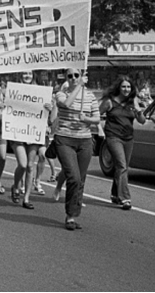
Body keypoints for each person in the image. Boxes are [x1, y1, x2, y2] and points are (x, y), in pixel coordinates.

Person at [54, 68, 100, 231]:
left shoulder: (90, 96)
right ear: (66, 78)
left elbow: (97, 118)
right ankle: (70, 213)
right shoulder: (61, 93)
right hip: (65, 139)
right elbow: (65, 104)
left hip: (84, 140)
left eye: (76, 75)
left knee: (80, 179)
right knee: (73, 177)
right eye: (70, 76)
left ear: (81, 76)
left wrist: (86, 118)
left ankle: (72, 216)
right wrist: (78, 87)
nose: (73, 78)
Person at [8, 71, 56, 210]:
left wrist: (49, 109)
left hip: (33, 133)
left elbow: (50, 114)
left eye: (29, 73)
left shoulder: (40, 91)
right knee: (22, 165)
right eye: (24, 73)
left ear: (33, 75)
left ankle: (26, 198)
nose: (27, 76)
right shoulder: (14, 90)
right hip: (18, 133)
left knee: (30, 166)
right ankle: (16, 185)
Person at [99, 76, 146, 210]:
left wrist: (138, 111)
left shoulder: (133, 101)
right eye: (124, 87)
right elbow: (96, 114)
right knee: (122, 165)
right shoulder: (110, 102)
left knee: (121, 167)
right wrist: (99, 129)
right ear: (119, 88)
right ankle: (125, 198)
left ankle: (115, 194)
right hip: (113, 136)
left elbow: (142, 121)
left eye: (129, 87)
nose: (126, 89)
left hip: (128, 138)